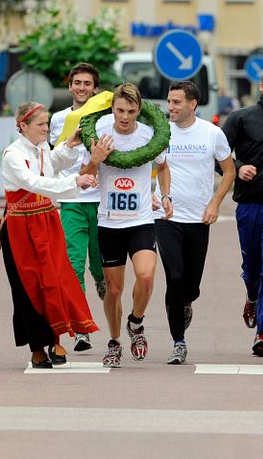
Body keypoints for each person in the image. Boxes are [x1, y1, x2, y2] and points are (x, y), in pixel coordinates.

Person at [0, 101, 100, 369]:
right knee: (28, 285)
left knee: (55, 280)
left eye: (46, 123)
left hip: (46, 220)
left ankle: (56, 338)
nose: (46, 128)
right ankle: (36, 347)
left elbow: (52, 164)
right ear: (23, 126)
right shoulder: (12, 154)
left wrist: (70, 145)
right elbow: (34, 181)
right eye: (40, 124)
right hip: (21, 227)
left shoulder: (41, 146)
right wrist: (74, 181)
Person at [80, 82, 172, 368]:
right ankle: (115, 340)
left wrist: (165, 195)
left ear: (138, 110)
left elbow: (163, 165)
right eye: (120, 110)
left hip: (141, 219)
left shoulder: (148, 135)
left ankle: (136, 322)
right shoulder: (100, 132)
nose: (125, 116)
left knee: (146, 276)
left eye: (131, 111)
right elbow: (84, 176)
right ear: (112, 108)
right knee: (114, 290)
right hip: (109, 222)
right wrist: (95, 161)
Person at [154, 81, 235, 364]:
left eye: (176, 102)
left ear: (192, 104)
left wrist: (215, 204)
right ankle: (179, 341)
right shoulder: (160, 133)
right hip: (166, 217)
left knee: (191, 285)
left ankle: (187, 301)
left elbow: (229, 172)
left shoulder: (212, 134)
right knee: (174, 278)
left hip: (199, 218)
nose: (170, 107)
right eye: (169, 101)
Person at [221, 64, 263, 357]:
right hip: (249, 206)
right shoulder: (241, 118)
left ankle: (262, 331)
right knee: (252, 269)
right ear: (261, 87)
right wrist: (238, 168)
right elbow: (218, 155)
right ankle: (251, 294)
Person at [49, 63, 105, 354]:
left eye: (87, 84)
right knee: (73, 267)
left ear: (95, 88)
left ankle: (101, 279)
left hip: (102, 200)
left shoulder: (106, 117)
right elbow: (51, 157)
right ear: (70, 86)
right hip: (71, 199)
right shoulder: (59, 119)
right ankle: (82, 330)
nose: (82, 88)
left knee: (100, 264)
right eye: (77, 83)